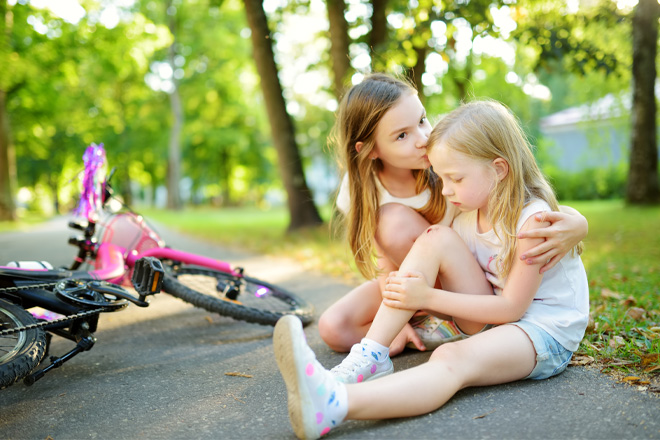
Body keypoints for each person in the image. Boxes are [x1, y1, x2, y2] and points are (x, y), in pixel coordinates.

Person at [273, 99, 589, 439]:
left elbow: (512, 308)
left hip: (544, 331)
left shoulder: (533, 224)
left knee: (452, 359)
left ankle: (334, 404)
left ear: (499, 169)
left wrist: (427, 297)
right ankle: (369, 355)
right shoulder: (468, 214)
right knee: (435, 236)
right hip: (497, 319)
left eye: (455, 178)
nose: (446, 189)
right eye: (442, 178)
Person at [319, 73, 588, 357]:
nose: (423, 139)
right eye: (402, 135)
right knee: (333, 327)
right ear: (371, 150)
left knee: (396, 223)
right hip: (410, 281)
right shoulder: (359, 187)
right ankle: (414, 326)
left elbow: (520, 194)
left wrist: (578, 223)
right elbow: (386, 261)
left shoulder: (450, 170)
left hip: (463, 288)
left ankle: (443, 324)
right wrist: (392, 322)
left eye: (422, 120)